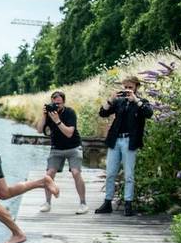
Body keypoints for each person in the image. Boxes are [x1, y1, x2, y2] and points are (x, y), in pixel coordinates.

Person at [95, 75, 153, 216]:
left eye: (130, 88)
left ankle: (128, 204)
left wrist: (136, 100)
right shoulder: (119, 102)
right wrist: (111, 99)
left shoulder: (141, 102)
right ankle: (107, 202)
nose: (127, 90)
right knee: (110, 173)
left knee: (129, 175)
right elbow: (103, 113)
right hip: (115, 140)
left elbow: (149, 113)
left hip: (129, 141)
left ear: (136, 88)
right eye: (125, 87)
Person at [36, 90, 87, 214]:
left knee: (76, 172)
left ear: (63, 103)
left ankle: (83, 203)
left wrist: (57, 120)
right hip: (57, 149)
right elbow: (38, 130)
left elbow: (69, 133)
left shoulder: (70, 113)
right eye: (54, 103)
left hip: (73, 147)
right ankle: (47, 202)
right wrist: (44, 116)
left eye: (59, 104)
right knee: (49, 174)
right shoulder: (49, 114)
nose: (56, 106)